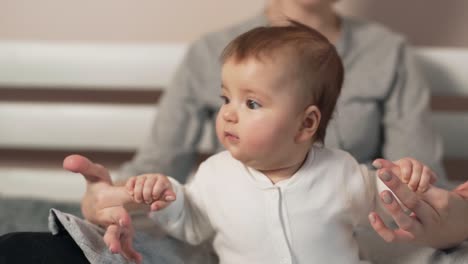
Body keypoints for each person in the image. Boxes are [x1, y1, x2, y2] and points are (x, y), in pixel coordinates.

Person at [119, 21, 444, 263]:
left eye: (252, 104)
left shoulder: (341, 172)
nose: (229, 114)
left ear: (305, 124)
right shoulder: (213, 175)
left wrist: (405, 179)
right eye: (226, 98)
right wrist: (165, 197)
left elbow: (391, 203)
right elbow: (192, 222)